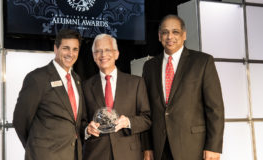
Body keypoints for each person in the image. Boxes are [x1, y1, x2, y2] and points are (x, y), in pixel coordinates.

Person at [142, 15, 225, 160]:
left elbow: (215, 108)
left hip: (193, 146)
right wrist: (147, 146)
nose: (170, 36)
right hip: (160, 147)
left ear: (184, 35)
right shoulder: (149, 66)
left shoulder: (203, 62)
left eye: (175, 32)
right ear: (159, 36)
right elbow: (145, 109)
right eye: (165, 32)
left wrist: (213, 146)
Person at [13, 29, 84, 160]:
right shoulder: (37, 78)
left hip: (73, 155)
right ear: (56, 49)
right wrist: (35, 147)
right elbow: (20, 120)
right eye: (66, 48)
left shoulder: (76, 79)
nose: (71, 54)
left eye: (75, 49)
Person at [82, 34, 151, 160]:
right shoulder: (85, 86)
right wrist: (87, 130)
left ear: (116, 54)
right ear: (93, 56)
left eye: (107, 50)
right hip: (96, 154)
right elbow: (80, 122)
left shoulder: (136, 83)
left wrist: (128, 122)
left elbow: (147, 118)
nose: (103, 55)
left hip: (128, 154)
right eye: (98, 51)